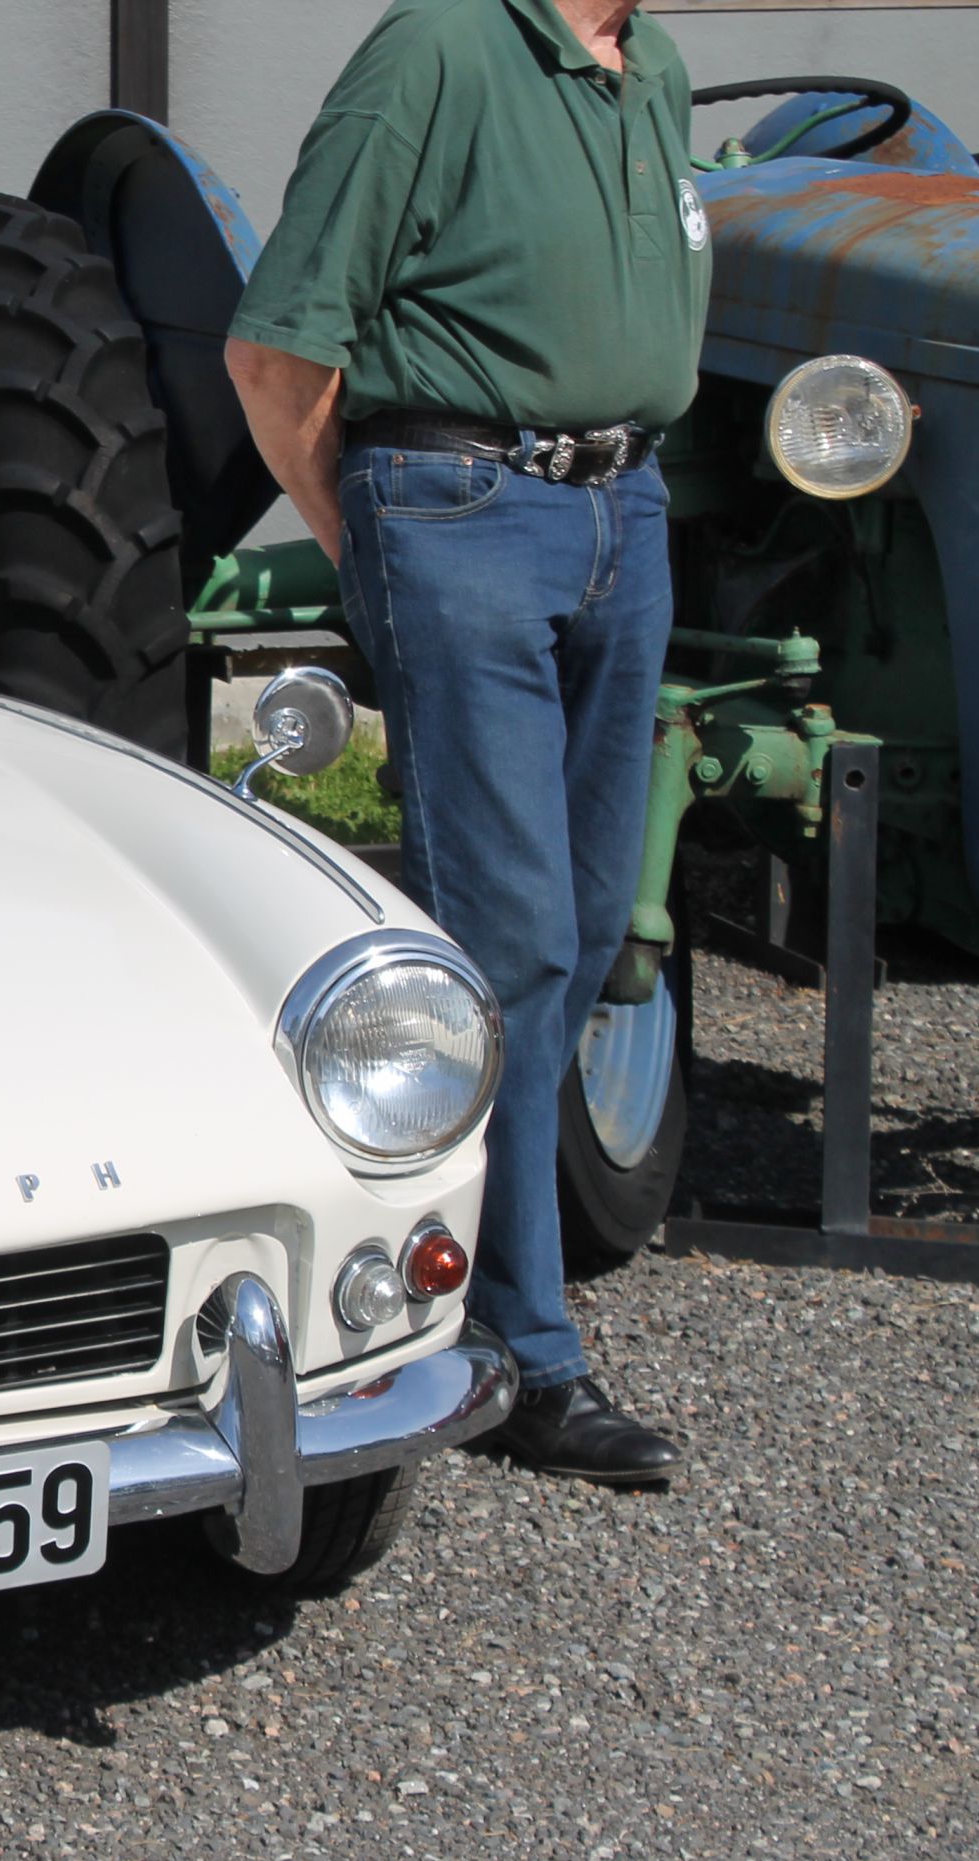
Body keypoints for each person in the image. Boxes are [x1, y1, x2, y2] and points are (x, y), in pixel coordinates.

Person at [222, 0, 698, 1482]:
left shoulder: (652, 68)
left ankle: (471, 1263)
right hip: (465, 504)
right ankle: (520, 1350)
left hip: (625, 508)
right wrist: (377, 542)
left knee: (594, 920)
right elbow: (275, 352)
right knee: (510, 940)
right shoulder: (437, 49)